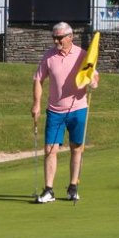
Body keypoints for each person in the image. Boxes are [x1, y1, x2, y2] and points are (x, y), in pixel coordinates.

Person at [31, 22, 99, 203]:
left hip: (78, 108)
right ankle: (48, 190)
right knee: (49, 149)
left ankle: (73, 187)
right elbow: (38, 80)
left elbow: (93, 74)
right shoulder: (49, 56)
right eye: (54, 37)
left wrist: (93, 82)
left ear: (70, 37)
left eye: (59, 37)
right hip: (55, 111)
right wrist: (36, 104)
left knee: (76, 148)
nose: (56, 41)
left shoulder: (82, 55)